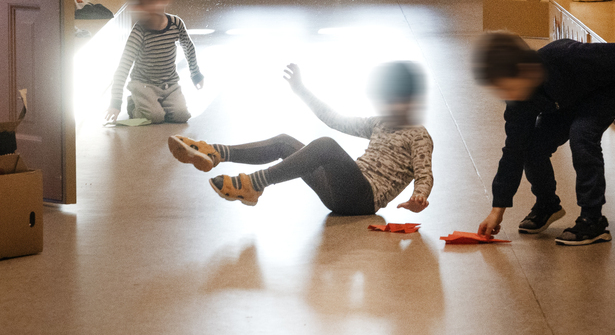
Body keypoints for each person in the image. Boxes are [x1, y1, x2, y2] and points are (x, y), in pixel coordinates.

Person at [473, 30, 615, 246]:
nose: (506, 94)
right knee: (532, 148)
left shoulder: (566, 57)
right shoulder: (518, 99)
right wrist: (497, 209)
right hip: (565, 100)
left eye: (507, 85)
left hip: (605, 90)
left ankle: (593, 221)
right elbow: (513, 151)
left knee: (582, 136)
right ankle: (547, 205)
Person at [169, 60, 433, 217]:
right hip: (337, 193)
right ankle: (214, 152)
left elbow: (424, 174)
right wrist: (301, 90)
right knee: (286, 141)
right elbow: (334, 119)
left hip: (363, 200)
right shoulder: (380, 123)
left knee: (326, 145)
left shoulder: (418, 135)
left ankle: (253, 184)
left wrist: (419, 196)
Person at [106, 0, 204, 125]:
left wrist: (196, 74)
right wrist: (115, 102)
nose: (156, 7)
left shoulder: (176, 24)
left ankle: (158, 103)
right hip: (143, 85)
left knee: (181, 115)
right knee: (155, 117)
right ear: (140, 6)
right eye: (149, 2)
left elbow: (188, 48)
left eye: (159, 0)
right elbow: (123, 67)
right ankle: (134, 105)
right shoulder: (139, 32)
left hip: (169, 84)